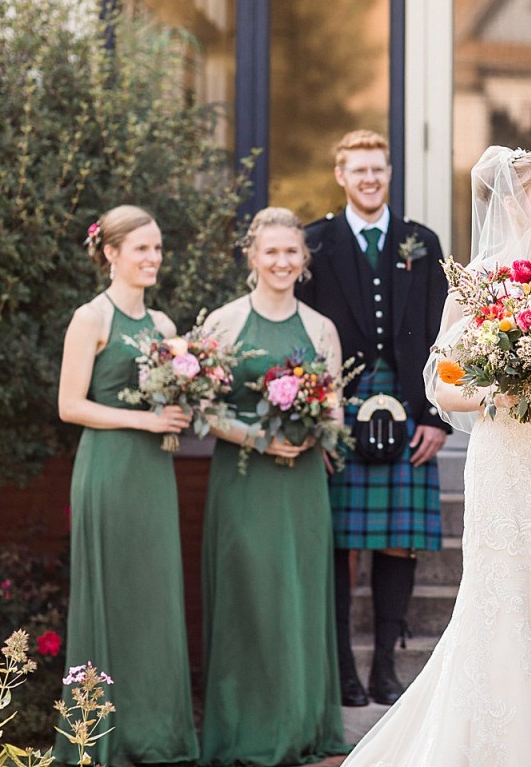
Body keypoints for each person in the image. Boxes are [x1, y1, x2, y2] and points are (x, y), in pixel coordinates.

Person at [341, 146, 531, 766]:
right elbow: (441, 386)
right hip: (505, 463)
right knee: (510, 603)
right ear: (518, 202)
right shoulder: (480, 282)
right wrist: (505, 375)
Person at [296, 129, 450, 707]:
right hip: (341, 410)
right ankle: (342, 671)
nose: (369, 178)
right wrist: (319, 422)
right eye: (358, 170)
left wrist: (435, 413)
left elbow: (443, 333)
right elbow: (301, 339)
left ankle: (386, 667)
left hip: (410, 406)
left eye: (378, 169)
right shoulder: (315, 243)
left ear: (389, 174)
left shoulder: (421, 242)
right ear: (341, 175)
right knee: (339, 544)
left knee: (398, 544)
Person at [200, 207, 348, 766]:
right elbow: (204, 409)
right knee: (247, 601)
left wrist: (316, 431)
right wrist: (257, 439)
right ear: (253, 257)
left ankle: (301, 725)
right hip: (243, 481)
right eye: (272, 252)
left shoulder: (320, 329)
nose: (282, 261)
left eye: (292, 252)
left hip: (302, 483)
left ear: (304, 260)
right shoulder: (222, 323)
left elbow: (334, 413)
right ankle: (244, 730)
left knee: (298, 599)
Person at [56, 205, 198, 767]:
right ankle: (98, 737)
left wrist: (185, 405)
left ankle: (155, 735)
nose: (152, 257)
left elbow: (170, 399)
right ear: (110, 253)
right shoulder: (90, 318)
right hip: (108, 471)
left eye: (157, 247)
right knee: (110, 598)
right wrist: (147, 421)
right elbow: (69, 406)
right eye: (141, 248)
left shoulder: (164, 327)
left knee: (154, 600)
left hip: (153, 475)